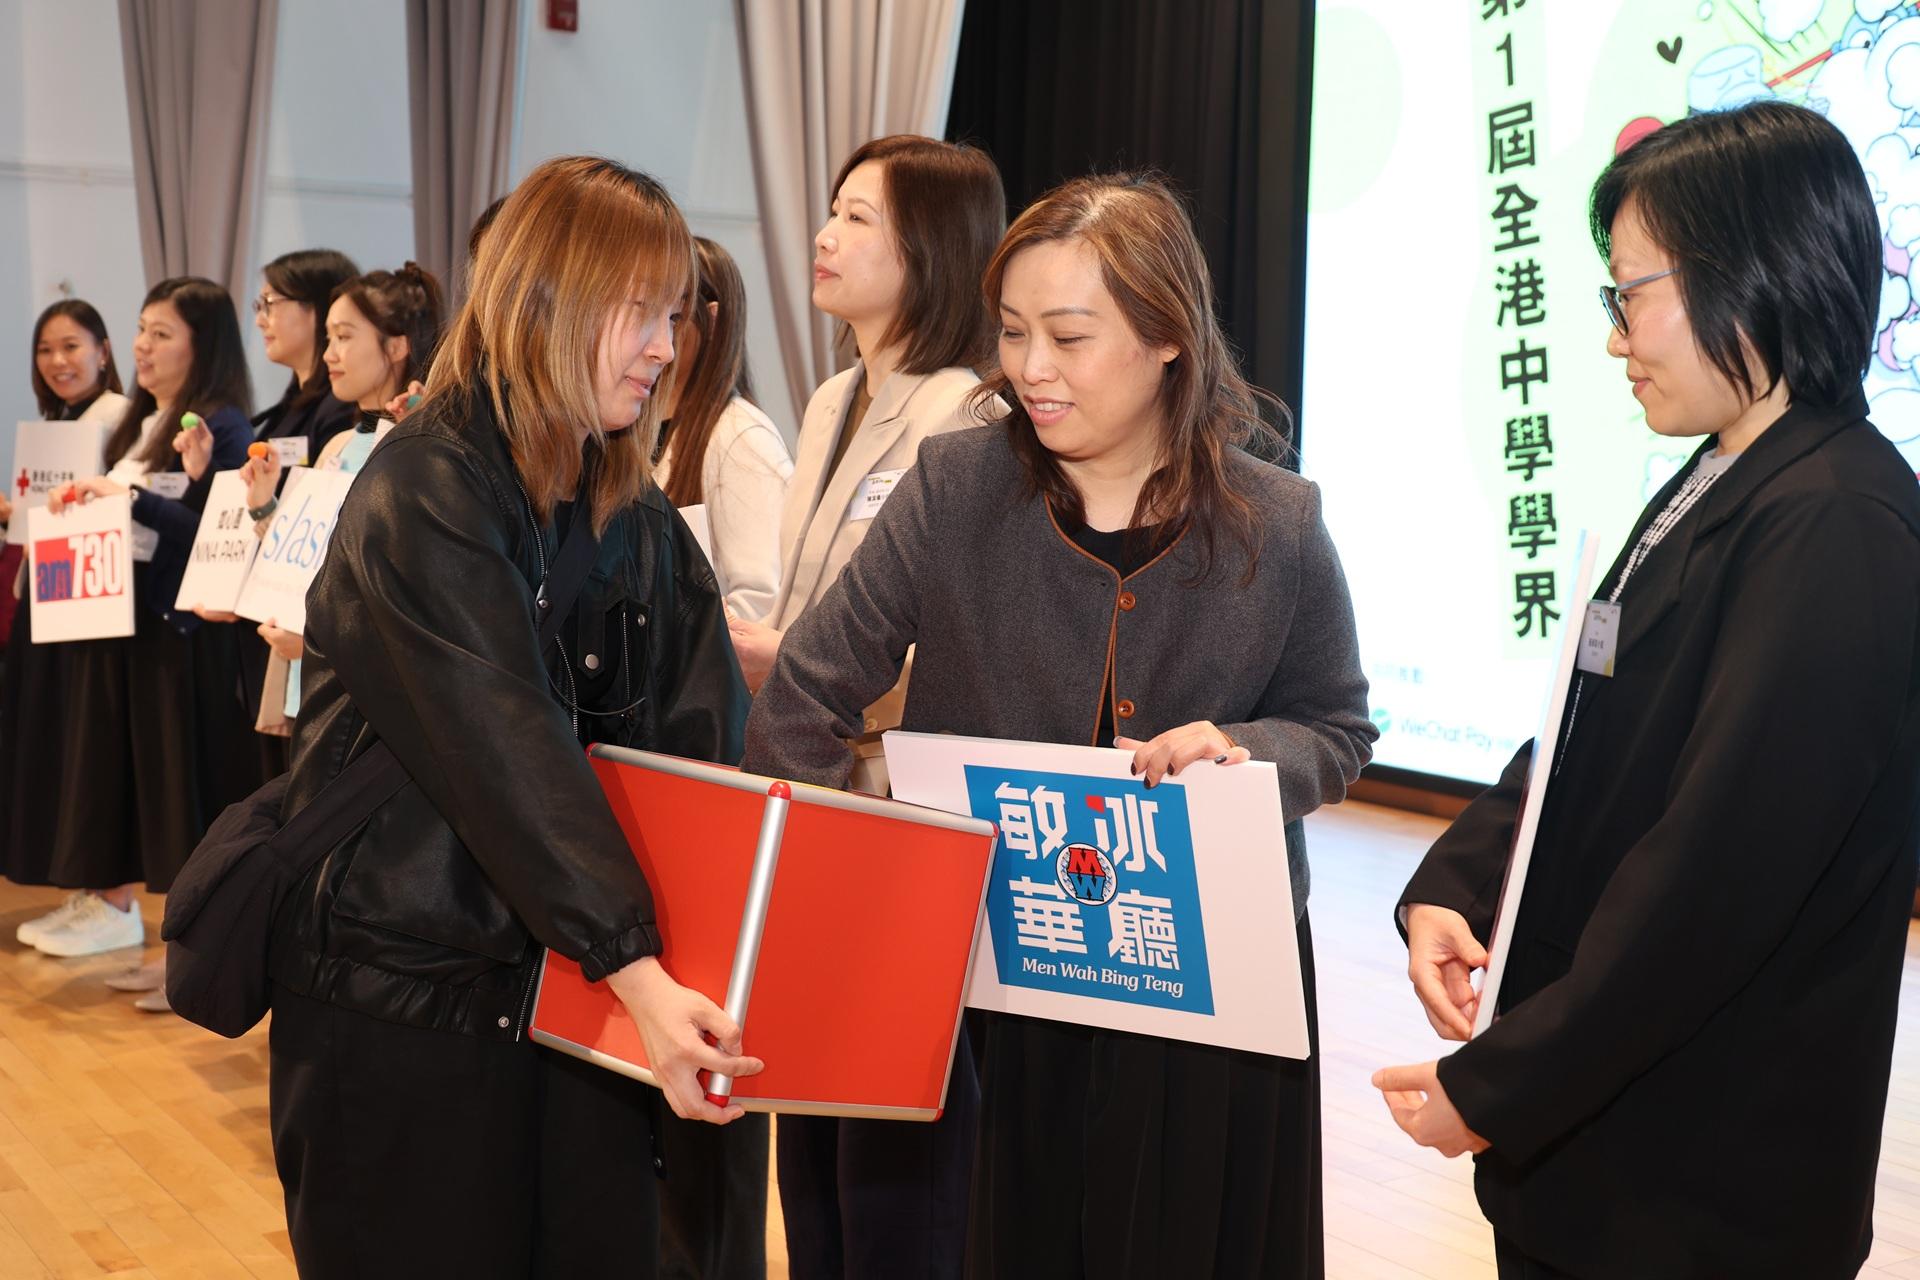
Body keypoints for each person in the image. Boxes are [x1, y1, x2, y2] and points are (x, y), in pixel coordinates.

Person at [743, 172, 1376, 1279]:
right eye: (1013, 332)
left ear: (1168, 338)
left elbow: (1336, 724)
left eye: (1070, 337)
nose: (1031, 368)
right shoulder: (956, 486)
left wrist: (1245, 752)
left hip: (1202, 984)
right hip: (1000, 970)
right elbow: (807, 692)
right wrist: (860, 895)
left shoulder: (1277, 521)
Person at [1377, 101, 1920, 1279]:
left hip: (1704, 1185)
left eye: (1630, 294)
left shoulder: (1836, 520)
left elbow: (1712, 876)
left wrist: (1501, 1083)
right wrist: (1456, 885)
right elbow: (1585, 726)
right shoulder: (1725, 470)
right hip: (1609, 1156)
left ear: (1750, 272)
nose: (1615, 337)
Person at [265, 155, 758, 1278]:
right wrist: (636, 964)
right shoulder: (423, 486)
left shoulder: (633, 512)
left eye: (676, 316)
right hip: (409, 997)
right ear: (548, 299)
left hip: (579, 1001)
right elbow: (502, 743)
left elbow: (705, 743)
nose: (665, 347)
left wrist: (712, 946)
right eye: (640, 311)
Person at [726, 134, 1005, 796]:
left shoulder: (968, 419)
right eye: (833, 213)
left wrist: (792, 661)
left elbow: (967, 658)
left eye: (857, 219)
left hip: (883, 780)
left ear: (931, 248)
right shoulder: (831, 400)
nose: (824, 238)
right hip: (791, 747)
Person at [26, 279, 257, 983]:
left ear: (201, 344)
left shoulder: (222, 426)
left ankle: (190, 952)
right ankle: (140, 924)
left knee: (185, 800)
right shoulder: (144, 421)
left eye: (161, 333)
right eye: (141, 331)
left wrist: (126, 497)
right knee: (140, 794)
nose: (142, 347)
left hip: (187, 640)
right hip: (129, 631)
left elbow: (217, 534)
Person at [231, 262, 445, 736]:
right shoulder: (339, 446)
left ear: (397, 346)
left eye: (344, 337)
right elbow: (305, 555)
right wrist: (265, 504)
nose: (329, 354)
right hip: (307, 686)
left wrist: (318, 641)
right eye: (328, 338)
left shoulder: (419, 449)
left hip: (370, 698)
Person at [1, 300, 131, 942]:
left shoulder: (118, 417)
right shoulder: (55, 425)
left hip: (90, 604)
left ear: (103, 351)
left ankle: (113, 901)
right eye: (46, 349)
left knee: (91, 748)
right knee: (59, 748)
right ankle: (86, 890)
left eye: (72, 346)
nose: (58, 361)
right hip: (49, 596)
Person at [654, 236, 793, 622]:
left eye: (673, 315)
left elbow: (762, 600)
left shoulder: (742, 438)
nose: (656, 331)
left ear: (711, 318)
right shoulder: (636, 428)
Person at [249, 248, 359, 456]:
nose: (260, 321)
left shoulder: (342, 408)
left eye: (269, 303)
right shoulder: (292, 402)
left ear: (318, 308)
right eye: (259, 306)